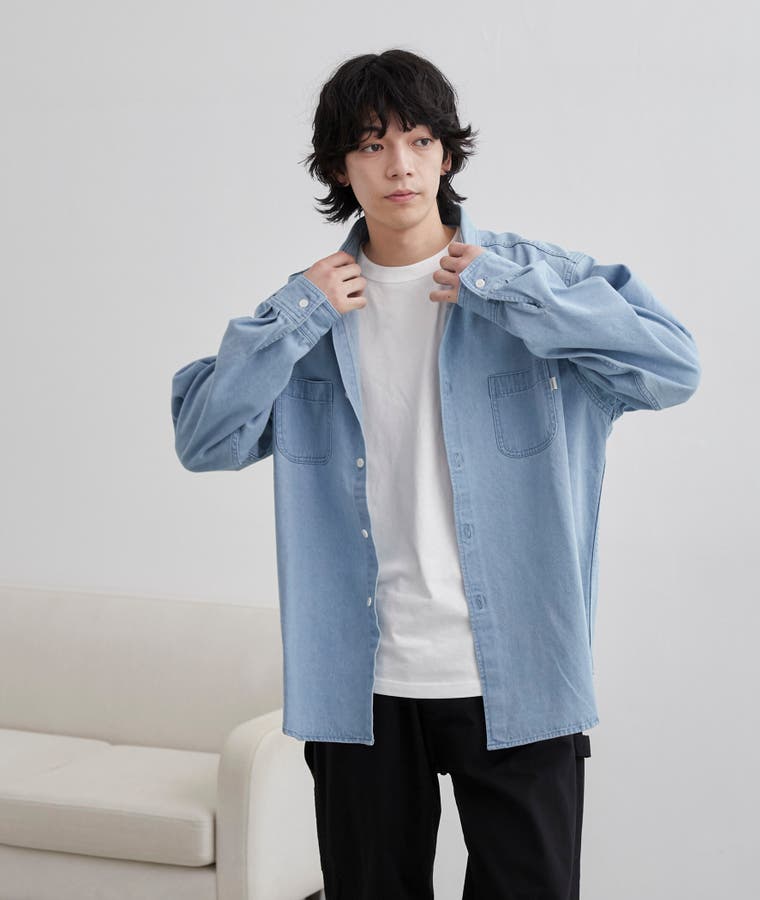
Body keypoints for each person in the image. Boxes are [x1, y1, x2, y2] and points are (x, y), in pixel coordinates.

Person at [171, 47, 701, 900]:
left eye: (419, 140)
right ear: (340, 167)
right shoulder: (311, 313)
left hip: (519, 675)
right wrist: (296, 314)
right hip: (362, 689)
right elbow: (204, 437)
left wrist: (511, 292)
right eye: (372, 145)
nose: (400, 166)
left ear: (447, 154)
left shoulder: (529, 281)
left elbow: (672, 367)